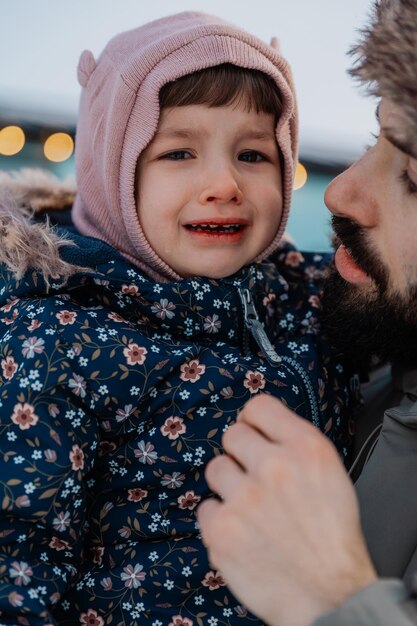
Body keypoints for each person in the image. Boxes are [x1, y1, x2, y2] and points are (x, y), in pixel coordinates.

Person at [0, 12, 353, 626]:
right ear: (111, 171)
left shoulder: (305, 293)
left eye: (252, 153)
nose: (224, 183)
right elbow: (19, 559)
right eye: (179, 152)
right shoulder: (53, 338)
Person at [198, 0, 417, 625]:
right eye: (376, 136)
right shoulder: (356, 347)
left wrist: (333, 597)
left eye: (415, 178)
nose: (344, 191)